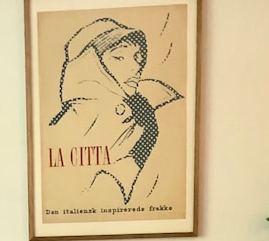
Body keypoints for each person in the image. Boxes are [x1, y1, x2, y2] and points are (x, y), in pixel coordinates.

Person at [48, 17, 182, 205]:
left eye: (138, 58)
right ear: (89, 64)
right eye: (119, 57)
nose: (136, 67)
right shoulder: (57, 131)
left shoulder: (156, 107)